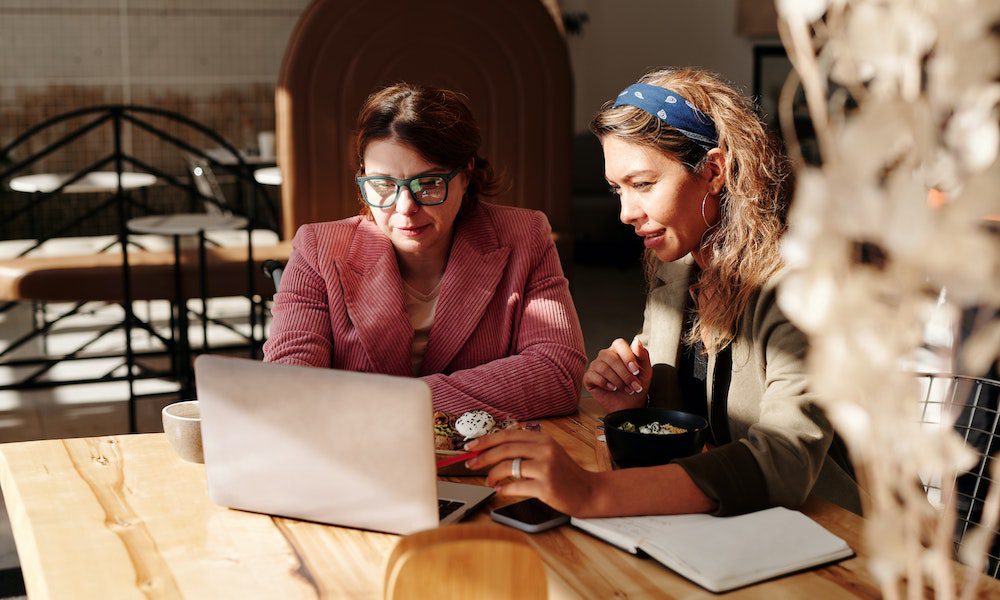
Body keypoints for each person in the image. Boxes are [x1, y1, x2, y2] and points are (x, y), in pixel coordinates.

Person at [467, 68, 861, 517]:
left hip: (829, 533)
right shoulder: (676, 273)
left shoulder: (801, 287)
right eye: (617, 189)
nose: (625, 213)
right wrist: (636, 402)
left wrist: (594, 494)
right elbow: (692, 431)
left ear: (714, 171)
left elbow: (786, 461)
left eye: (643, 184)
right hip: (721, 527)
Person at [264, 83, 586, 420]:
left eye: (429, 184)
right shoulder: (319, 249)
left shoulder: (524, 237)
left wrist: (400, 401)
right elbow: (290, 386)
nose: (405, 207)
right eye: (383, 185)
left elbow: (557, 373)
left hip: (486, 462)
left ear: (466, 174)